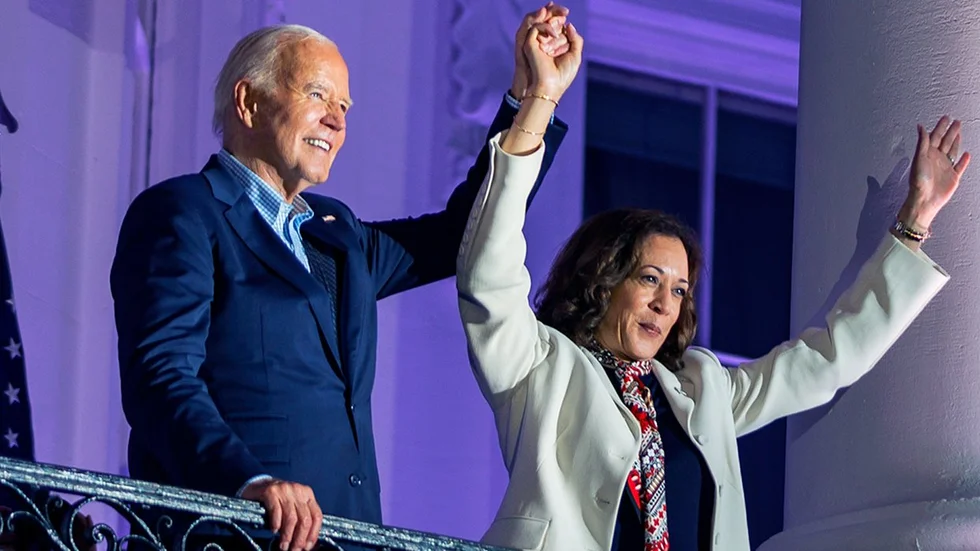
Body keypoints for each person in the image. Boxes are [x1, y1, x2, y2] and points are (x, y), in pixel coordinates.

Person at [110, 6, 572, 551]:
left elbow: (461, 235)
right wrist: (248, 481)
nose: (337, 119)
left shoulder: (337, 235)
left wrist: (532, 99)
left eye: (344, 106)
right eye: (317, 95)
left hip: (348, 538)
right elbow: (161, 379)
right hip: (234, 533)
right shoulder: (184, 213)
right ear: (249, 101)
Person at [457, 83, 969, 550]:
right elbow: (489, 273)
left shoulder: (701, 389)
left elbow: (825, 362)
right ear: (602, 279)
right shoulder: (540, 368)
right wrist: (539, 101)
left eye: (679, 290)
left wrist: (913, 223)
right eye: (649, 279)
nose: (665, 304)